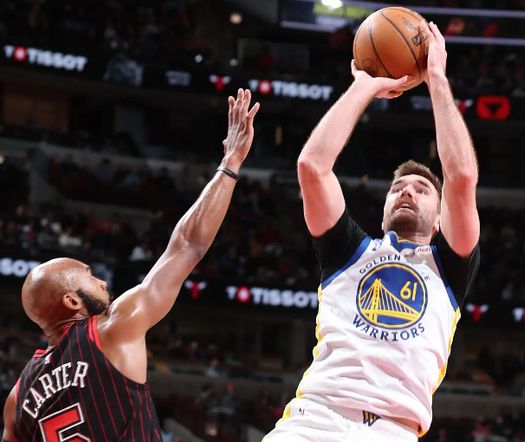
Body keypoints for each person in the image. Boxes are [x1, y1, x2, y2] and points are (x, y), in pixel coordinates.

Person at [1, 89, 260, 441]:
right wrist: (230, 164)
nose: (103, 283)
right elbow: (188, 245)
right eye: (89, 277)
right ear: (72, 301)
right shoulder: (112, 329)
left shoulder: (18, 397)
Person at [264, 22, 479, 441]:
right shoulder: (348, 250)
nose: (407, 191)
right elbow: (312, 167)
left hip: (391, 430)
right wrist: (365, 85)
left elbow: (462, 178)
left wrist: (436, 78)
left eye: (421, 190)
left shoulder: (450, 265)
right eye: (398, 188)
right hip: (315, 417)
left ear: (440, 219)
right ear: (382, 214)